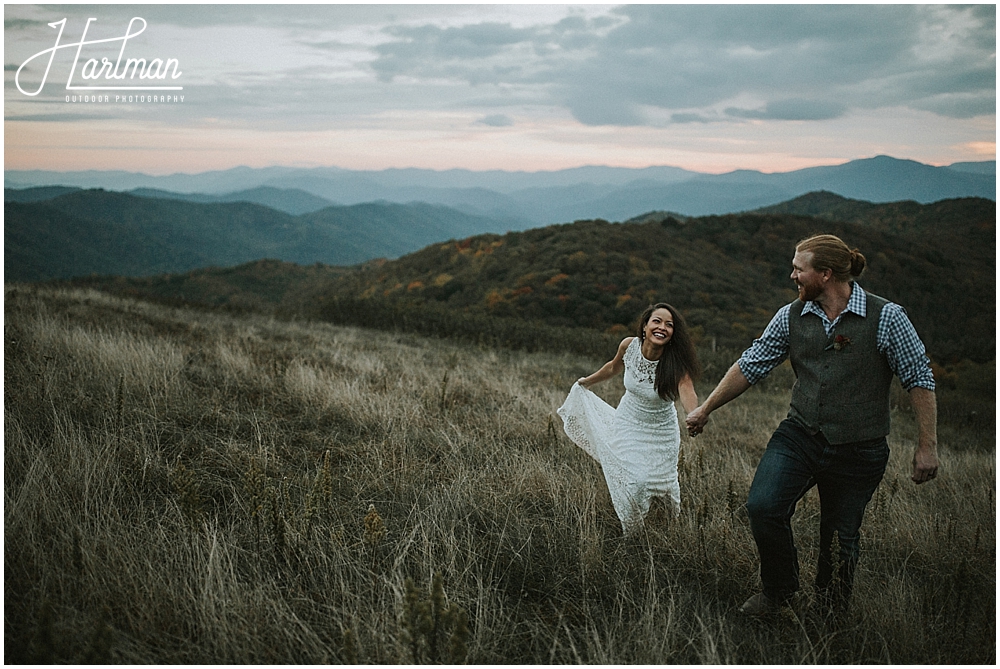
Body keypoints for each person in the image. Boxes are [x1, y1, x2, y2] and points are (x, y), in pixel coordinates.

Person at [685, 234, 938, 617]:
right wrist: (706, 409)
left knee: (839, 539)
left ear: (825, 273)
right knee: (763, 507)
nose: (792, 276)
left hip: (860, 447)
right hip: (800, 434)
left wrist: (927, 445)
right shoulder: (790, 316)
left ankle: (829, 616)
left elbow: (919, 378)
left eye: (799, 269)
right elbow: (751, 365)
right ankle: (779, 593)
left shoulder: (887, 317)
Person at [557, 303, 700, 534]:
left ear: (674, 334)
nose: (662, 327)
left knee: (663, 483)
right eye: (657, 321)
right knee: (636, 481)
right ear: (645, 326)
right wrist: (587, 381)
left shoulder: (675, 364)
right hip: (628, 423)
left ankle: (669, 528)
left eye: (669, 325)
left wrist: (694, 415)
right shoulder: (628, 346)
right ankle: (632, 532)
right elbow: (613, 368)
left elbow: (687, 391)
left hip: (661, 432)